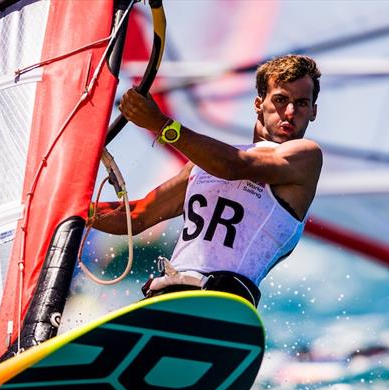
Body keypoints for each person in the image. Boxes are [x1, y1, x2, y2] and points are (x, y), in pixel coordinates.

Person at [90, 55, 323, 306]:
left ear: (313, 111)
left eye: (301, 103)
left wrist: (161, 124)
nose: (289, 112)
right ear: (258, 103)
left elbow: (234, 165)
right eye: (280, 100)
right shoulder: (203, 164)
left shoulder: (306, 157)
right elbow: (137, 216)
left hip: (227, 299)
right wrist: (74, 210)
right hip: (168, 295)